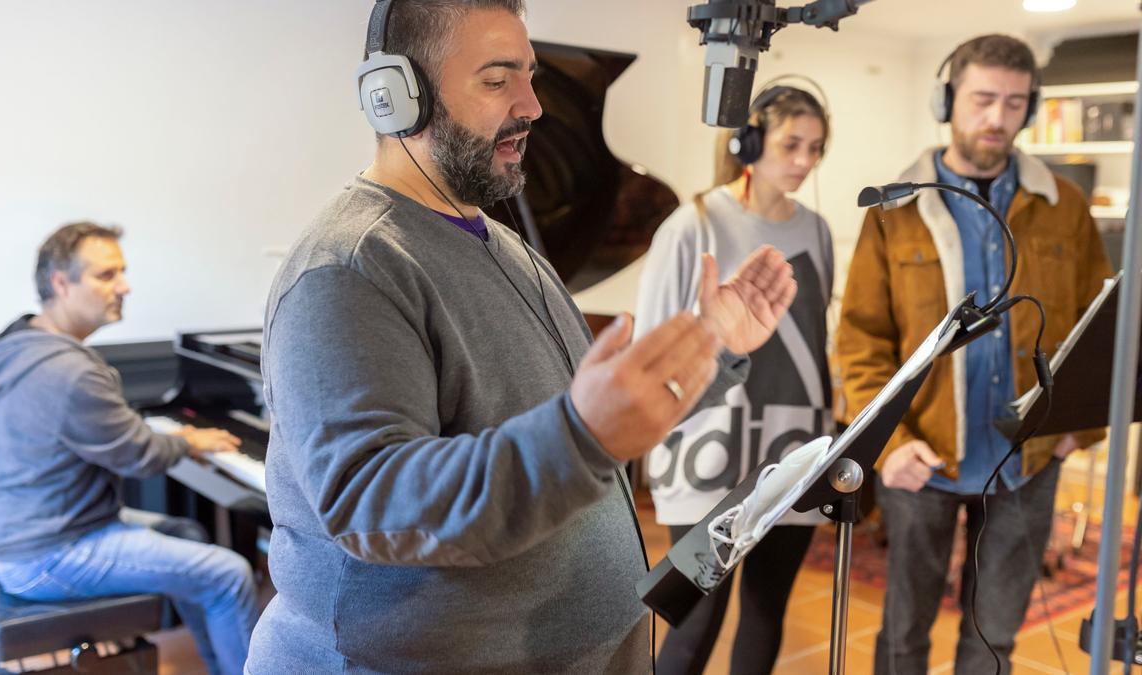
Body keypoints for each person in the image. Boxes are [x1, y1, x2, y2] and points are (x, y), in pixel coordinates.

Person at [245, 0, 799, 672]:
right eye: (497, 78)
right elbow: (372, 504)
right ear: (396, 97)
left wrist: (713, 349)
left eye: (530, 75)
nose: (533, 105)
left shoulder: (507, 245)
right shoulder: (349, 266)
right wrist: (581, 434)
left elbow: (583, 422)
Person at [835, 34, 1113, 674]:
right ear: (947, 100)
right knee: (903, 637)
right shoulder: (894, 207)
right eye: (983, 98)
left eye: (1015, 103)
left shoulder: (1063, 206)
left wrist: (1076, 428)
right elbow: (860, 339)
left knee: (994, 641)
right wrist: (890, 441)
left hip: (1028, 462)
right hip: (920, 460)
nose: (998, 118)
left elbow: (1097, 326)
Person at [0, 222, 260, 675]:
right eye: (106, 276)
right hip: (52, 551)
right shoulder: (70, 371)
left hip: (22, 534)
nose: (124, 286)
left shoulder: (19, 344)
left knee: (189, 534)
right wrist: (190, 441)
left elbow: (123, 440)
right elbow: (137, 455)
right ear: (60, 283)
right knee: (228, 574)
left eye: (121, 272)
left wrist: (180, 440)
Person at [637, 84, 833, 675]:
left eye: (816, 148)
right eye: (791, 144)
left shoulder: (819, 231)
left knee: (768, 609)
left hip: (793, 449)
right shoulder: (692, 224)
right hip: (706, 452)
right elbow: (653, 340)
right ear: (749, 143)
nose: (804, 161)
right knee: (696, 619)